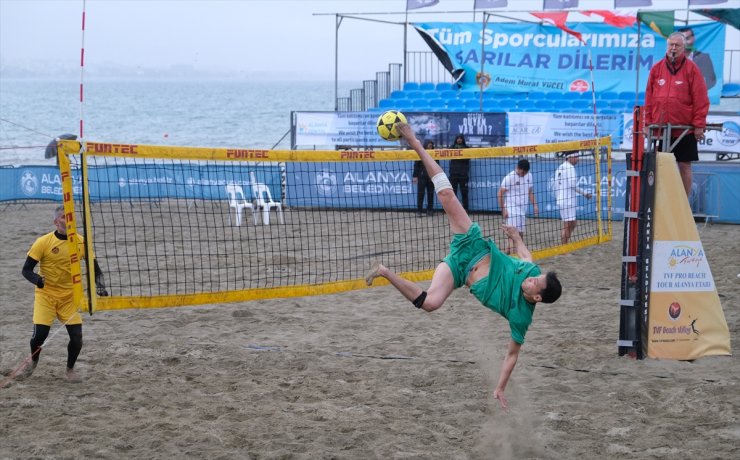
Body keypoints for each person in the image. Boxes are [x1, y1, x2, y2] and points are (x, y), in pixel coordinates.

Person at [366, 123, 562, 411]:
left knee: (431, 303)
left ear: (537, 298)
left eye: (537, 285)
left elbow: (511, 356)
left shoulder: (521, 317)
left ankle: (383, 271)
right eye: (537, 278)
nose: (533, 279)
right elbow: (528, 258)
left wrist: (499, 387)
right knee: (446, 195)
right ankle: (414, 141)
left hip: (459, 271)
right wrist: (517, 238)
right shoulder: (532, 273)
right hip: (472, 244)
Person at [21, 205, 108, 381]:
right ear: (56, 222)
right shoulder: (43, 242)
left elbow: (95, 269)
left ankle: (69, 371)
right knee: (39, 337)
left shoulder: (81, 242)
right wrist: (37, 279)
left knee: (77, 338)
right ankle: (33, 362)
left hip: (70, 297)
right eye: (64, 217)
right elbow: (26, 270)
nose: (69, 221)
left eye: (71, 217)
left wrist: (99, 286)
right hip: (46, 295)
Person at [644, 32, 710, 197]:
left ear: (684, 48)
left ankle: (683, 203)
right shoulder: (657, 69)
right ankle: (660, 201)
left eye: (677, 45)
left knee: (684, 165)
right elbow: (649, 98)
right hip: (659, 128)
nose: (673, 48)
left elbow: (700, 98)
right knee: (658, 165)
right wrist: (647, 123)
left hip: (683, 129)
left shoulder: (692, 69)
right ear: (667, 46)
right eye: (671, 45)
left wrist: (699, 125)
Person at [498, 158, 538, 255]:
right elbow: (499, 194)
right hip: (511, 209)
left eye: (526, 172)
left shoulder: (529, 175)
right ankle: (515, 262)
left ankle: (505, 258)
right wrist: (503, 210)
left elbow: (530, 192)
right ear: (518, 168)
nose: (524, 174)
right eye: (523, 172)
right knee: (513, 237)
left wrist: (535, 205)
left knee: (520, 237)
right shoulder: (509, 177)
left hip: (522, 210)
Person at [554, 152, 592, 245]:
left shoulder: (560, 167)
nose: (578, 159)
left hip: (562, 199)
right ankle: (564, 247)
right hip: (567, 201)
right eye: (576, 157)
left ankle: (565, 244)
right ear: (569, 157)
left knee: (573, 223)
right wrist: (585, 193)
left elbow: (556, 186)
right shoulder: (570, 168)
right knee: (567, 226)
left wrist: (558, 197)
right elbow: (573, 185)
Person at [678, 26, 716, 90]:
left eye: (687, 39)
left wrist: (698, 91)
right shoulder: (670, 59)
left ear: (693, 38)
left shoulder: (704, 58)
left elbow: (711, 80)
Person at [412, 140, 438, 217]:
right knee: (420, 195)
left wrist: (436, 175)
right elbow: (416, 165)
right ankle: (419, 211)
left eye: (431, 145)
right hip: (422, 177)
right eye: (429, 145)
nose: (430, 146)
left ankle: (430, 210)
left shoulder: (434, 153)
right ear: (426, 145)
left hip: (431, 177)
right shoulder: (421, 153)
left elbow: (437, 165)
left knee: (430, 194)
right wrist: (415, 176)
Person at [449, 134, 470, 211]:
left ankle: (466, 209)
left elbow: (468, 159)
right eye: (458, 138)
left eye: (461, 138)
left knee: (464, 193)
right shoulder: (451, 148)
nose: (459, 139)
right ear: (456, 139)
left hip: (463, 175)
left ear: (463, 139)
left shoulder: (467, 148)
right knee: (453, 193)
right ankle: (453, 209)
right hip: (453, 174)